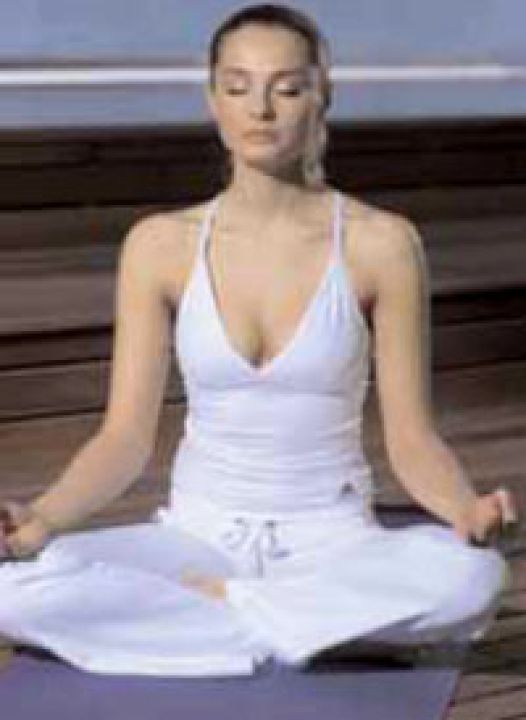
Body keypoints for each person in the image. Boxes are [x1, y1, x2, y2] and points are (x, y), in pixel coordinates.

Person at [0, 2, 520, 677]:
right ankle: (299, 625)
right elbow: (123, 439)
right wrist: (42, 519)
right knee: (11, 588)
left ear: (321, 97)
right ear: (213, 100)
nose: (261, 109)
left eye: (287, 88)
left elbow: (411, 440)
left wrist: (465, 510)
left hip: (331, 541)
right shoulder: (159, 246)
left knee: (471, 579)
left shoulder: (382, 244)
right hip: (196, 538)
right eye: (239, 86)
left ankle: (211, 618)